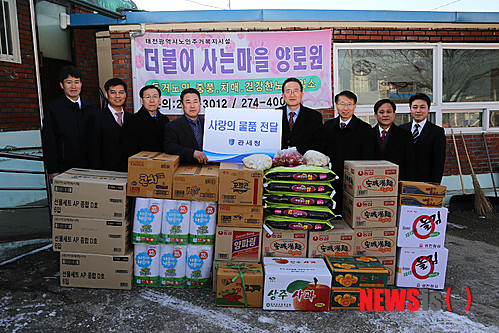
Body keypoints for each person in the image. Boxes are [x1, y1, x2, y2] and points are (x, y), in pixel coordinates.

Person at [317, 90, 374, 213]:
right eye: (342, 104)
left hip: (354, 179)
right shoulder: (327, 126)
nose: (345, 108)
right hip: (331, 177)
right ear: (336, 105)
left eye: (349, 104)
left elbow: (368, 157)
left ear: (355, 106)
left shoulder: (364, 129)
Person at [41, 65, 98, 182]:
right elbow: (49, 141)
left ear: (81, 84)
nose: (73, 86)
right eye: (69, 82)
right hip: (65, 168)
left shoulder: (92, 107)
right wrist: (53, 169)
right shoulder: (53, 109)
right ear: (62, 85)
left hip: (91, 167)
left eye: (77, 82)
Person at [400, 93, 446, 184]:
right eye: (415, 107)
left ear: (428, 109)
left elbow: (439, 162)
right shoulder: (401, 129)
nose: (418, 110)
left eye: (422, 107)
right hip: (404, 181)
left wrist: (434, 184)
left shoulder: (437, 132)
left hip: (426, 181)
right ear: (410, 109)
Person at [88, 78, 130, 172]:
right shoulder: (97, 118)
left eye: (121, 92)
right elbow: (93, 149)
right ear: (107, 95)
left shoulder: (130, 118)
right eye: (113, 92)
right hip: (106, 171)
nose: (117, 96)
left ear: (125, 95)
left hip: (128, 171)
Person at [371, 98, 415, 181]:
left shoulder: (405, 135)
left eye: (389, 112)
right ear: (375, 115)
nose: (385, 115)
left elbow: (410, 163)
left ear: (394, 114)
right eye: (381, 112)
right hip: (373, 181)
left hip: (397, 181)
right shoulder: (368, 134)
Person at [278, 77, 323, 155]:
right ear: (283, 95)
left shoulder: (314, 116)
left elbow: (319, 143)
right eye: (288, 91)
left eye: (296, 91)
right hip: (279, 163)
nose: (292, 95)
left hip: (304, 164)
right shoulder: (275, 114)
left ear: (302, 94)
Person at [164, 88, 208, 164]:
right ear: (182, 105)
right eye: (188, 102)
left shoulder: (208, 124)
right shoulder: (173, 126)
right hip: (185, 170)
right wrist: (192, 153)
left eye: (195, 102)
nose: (192, 106)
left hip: (208, 168)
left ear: (200, 104)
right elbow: (169, 146)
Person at [123, 85, 169, 157]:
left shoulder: (164, 120)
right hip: (141, 164)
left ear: (159, 100)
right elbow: (129, 149)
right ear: (141, 100)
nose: (152, 100)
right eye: (147, 97)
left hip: (161, 162)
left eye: (155, 97)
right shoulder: (132, 121)